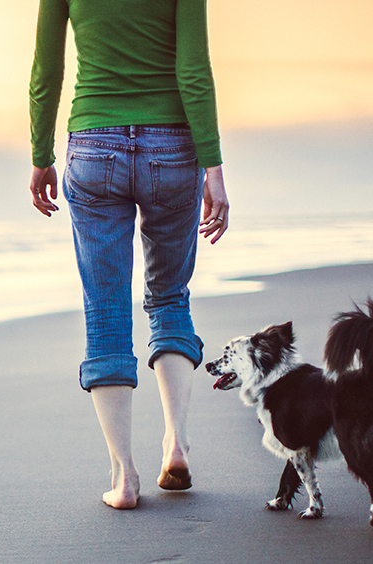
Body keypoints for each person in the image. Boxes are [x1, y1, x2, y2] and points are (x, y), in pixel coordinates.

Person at [27, 0, 230, 509]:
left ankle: (124, 478)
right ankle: (177, 443)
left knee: (106, 311)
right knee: (169, 296)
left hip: (94, 146)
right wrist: (214, 168)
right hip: (172, 146)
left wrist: (40, 156)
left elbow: (46, 68)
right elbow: (194, 68)